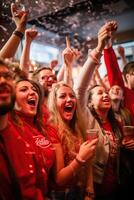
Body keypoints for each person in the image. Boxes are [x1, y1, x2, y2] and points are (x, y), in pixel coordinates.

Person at [47, 82, 98, 200]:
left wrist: (89, 190)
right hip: (61, 194)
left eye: (72, 96)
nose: (69, 99)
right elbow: (59, 180)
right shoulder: (52, 130)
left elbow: (88, 161)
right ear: (54, 103)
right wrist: (79, 159)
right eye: (62, 96)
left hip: (79, 189)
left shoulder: (78, 127)